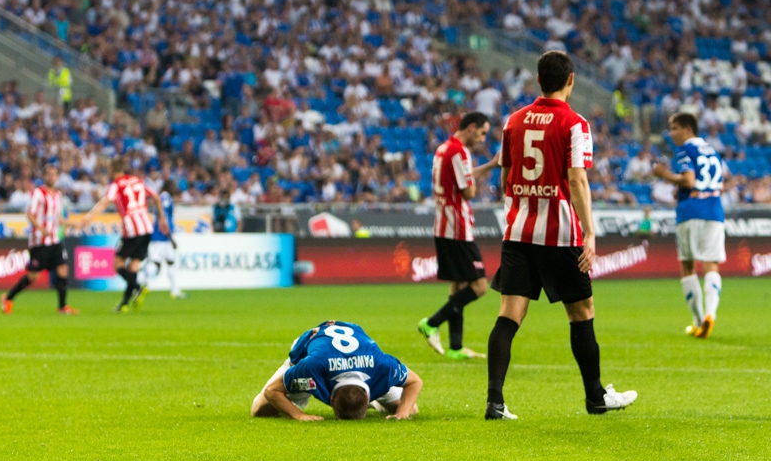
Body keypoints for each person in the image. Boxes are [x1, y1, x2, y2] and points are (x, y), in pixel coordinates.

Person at [486, 51, 638, 420]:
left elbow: (506, 178)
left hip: (519, 231)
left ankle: (495, 402)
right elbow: (576, 178)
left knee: (509, 316)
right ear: (570, 81)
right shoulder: (575, 123)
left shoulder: (514, 120)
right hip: (560, 235)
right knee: (581, 313)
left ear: (538, 80)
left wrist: (523, 203)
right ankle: (595, 398)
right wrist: (590, 233)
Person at [417, 112, 500, 360]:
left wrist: (490, 166)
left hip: (443, 226)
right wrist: (482, 177)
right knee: (479, 286)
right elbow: (468, 191)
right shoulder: (460, 151)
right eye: (483, 132)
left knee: (458, 285)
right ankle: (432, 322)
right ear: (472, 127)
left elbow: (459, 176)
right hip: (458, 228)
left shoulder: (444, 149)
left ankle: (455, 347)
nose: (483, 139)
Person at [251, 320, 422, 421]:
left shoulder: (381, 365)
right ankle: (371, 404)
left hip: (355, 352)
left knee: (411, 408)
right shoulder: (310, 368)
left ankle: (376, 403)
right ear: (329, 397)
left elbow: (415, 382)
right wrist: (299, 415)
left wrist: (402, 413)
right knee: (259, 410)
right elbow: (271, 391)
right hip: (310, 349)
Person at [653, 113, 725, 338]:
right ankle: (710, 315)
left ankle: (697, 320)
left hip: (691, 210)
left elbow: (689, 180)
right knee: (711, 265)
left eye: (674, 128)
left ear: (687, 129)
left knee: (687, 265)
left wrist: (665, 174)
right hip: (714, 210)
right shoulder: (712, 150)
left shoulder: (685, 150)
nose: (671, 133)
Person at [81, 158, 169, 313]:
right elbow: (155, 196)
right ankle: (125, 304)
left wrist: (89, 216)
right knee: (133, 266)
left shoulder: (115, 185)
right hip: (146, 227)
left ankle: (138, 288)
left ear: (112, 170)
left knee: (117, 264)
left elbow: (105, 201)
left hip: (132, 228)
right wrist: (161, 218)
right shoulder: (137, 180)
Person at [1, 165, 79, 315]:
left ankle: (62, 307)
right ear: (44, 176)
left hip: (55, 240)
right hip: (39, 241)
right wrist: (41, 229)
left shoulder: (57, 195)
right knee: (33, 276)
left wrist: (72, 223)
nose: (51, 177)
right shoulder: (38, 193)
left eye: (54, 174)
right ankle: (8, 297)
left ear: (57, 177)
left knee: (63, 270)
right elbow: (30, 214)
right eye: (48, 174)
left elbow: (58, 218)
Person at [139, 180, 187, 299]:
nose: (174, 188)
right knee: (155, 263)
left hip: (164, 236)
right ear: (167, 186)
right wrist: (170, 237)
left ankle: (175, 291)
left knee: (171, 262)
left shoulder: (166, 197)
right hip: (160, 236)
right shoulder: (165, 197)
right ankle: (139, 282)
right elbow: (163, 217)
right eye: (172, 185)